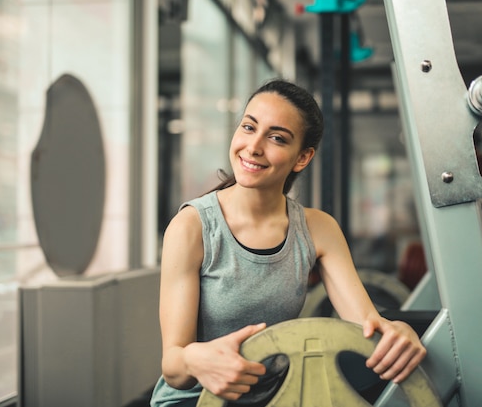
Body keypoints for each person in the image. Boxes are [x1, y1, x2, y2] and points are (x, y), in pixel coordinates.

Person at [150, 79, 426, 407]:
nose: (253, 147)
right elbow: (174, 368)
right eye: (249, 127)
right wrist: (196, 358)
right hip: (197, 398)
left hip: (277, 396)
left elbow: (364, 327)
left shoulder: (317, 228)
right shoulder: (191, 227)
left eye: (277, 138)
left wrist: (399, 333)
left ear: (302, 157)